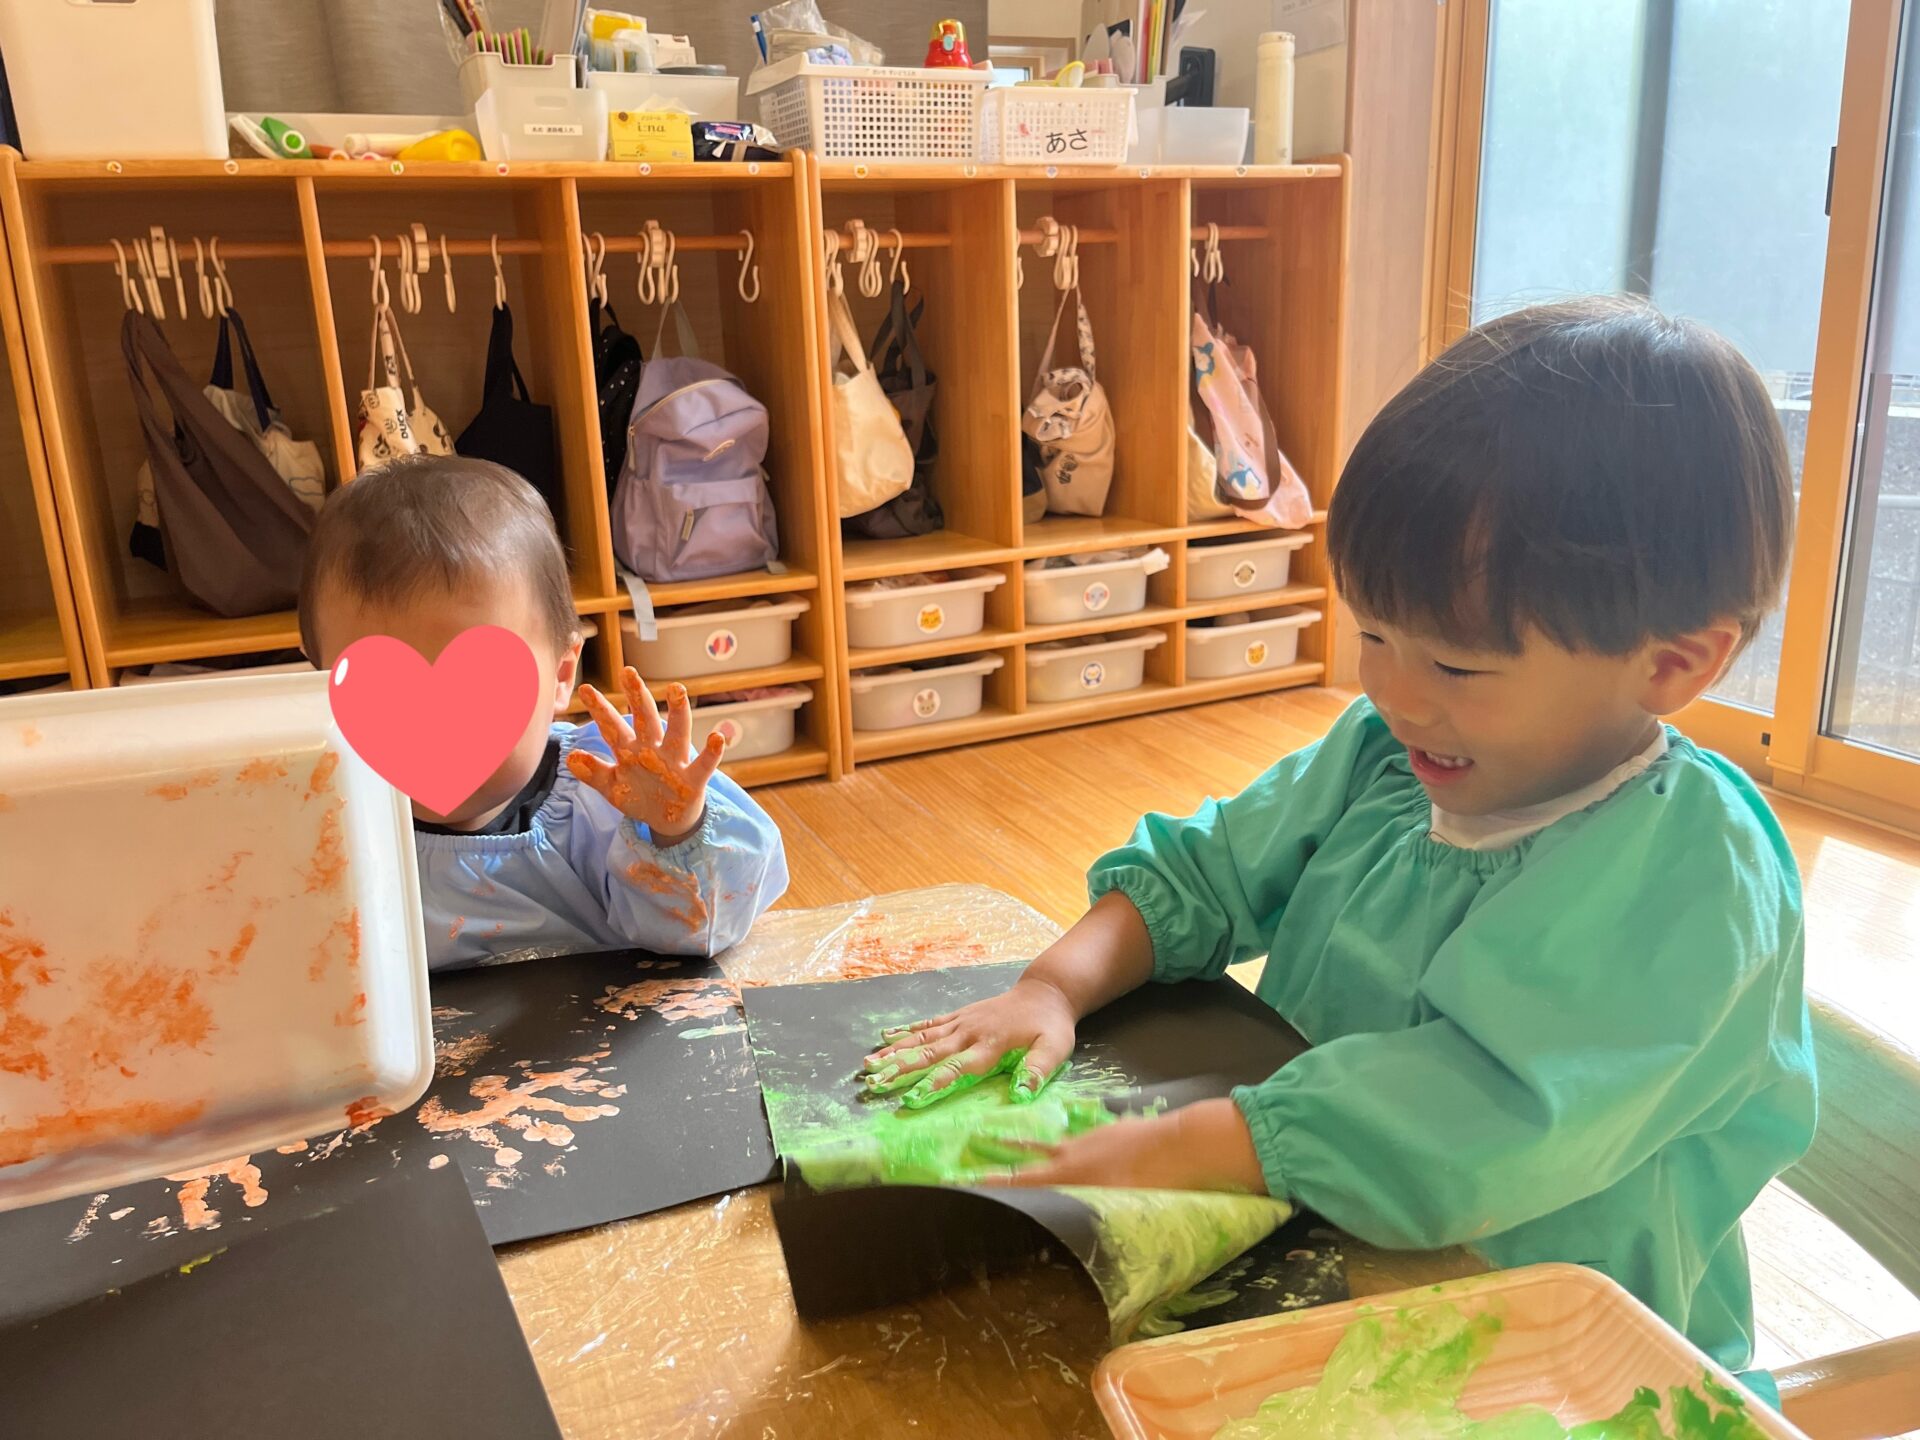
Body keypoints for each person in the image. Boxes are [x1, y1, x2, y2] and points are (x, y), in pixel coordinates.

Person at [863, 298, 1817, 1376]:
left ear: (1673, 664)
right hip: (1329, 1250)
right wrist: (1051, 987)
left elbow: (1484, 1116)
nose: (1393, 692)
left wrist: (1188, 1143)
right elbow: (1207, 870)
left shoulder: (1693, 872)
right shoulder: (1388, 753)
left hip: (1563, 1359)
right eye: (1372, 632)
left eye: (1456, 664)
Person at [298, 454, 787, 969]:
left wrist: (675, 832)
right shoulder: (322, 819)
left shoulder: (603, 799)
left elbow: (704, 931)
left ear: (560, 674)